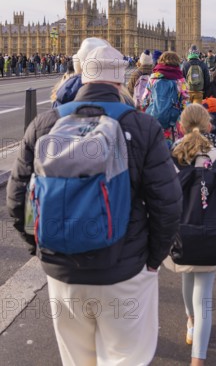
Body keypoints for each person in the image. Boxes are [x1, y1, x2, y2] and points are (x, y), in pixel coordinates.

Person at [7, 42, 183, 366]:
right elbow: (168, 206)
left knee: (76, 360)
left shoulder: (43, 125)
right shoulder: (142, 127)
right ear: (119, 81)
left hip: (62, 274)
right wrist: (152, 261)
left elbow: (19, 201)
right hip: (125, 271)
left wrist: (42, 248)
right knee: (125, 358)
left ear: (81, 77)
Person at [164, 104, 216, 366]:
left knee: (186, 275)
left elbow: (158, 202)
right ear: (209, 125)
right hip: (214, 238)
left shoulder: (170, 160)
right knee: (205, 295)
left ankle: (190, 322)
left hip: (180, 237)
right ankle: (197, 360)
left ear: (181, 126)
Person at [142, 50, 189, 147]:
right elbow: (185, 103)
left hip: (154, 122)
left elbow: (144, 101)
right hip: (174, 125)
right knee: (174, 151)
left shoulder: (153, 78)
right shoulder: (180, 80)